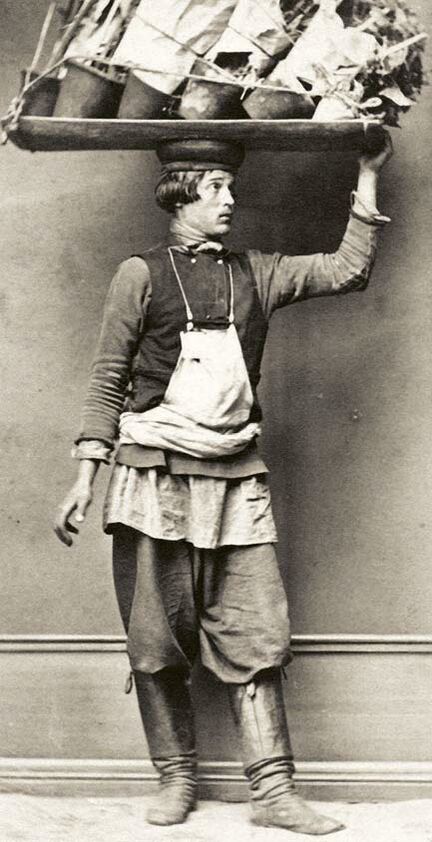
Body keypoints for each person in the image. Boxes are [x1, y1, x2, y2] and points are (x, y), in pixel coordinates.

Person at [54, 132, 393, 835]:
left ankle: (273, 792)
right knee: (156, 638)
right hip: (152, 477)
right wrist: (85, 478)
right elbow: (108, 379)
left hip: (236, 476)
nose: (231, 200)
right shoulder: (139, 275)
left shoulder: (259, 272)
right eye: (217, 188)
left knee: (257, 632)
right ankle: (175, 779)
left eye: (231, 187)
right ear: (181, 195)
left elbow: (347, 270)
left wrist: (367, 173)